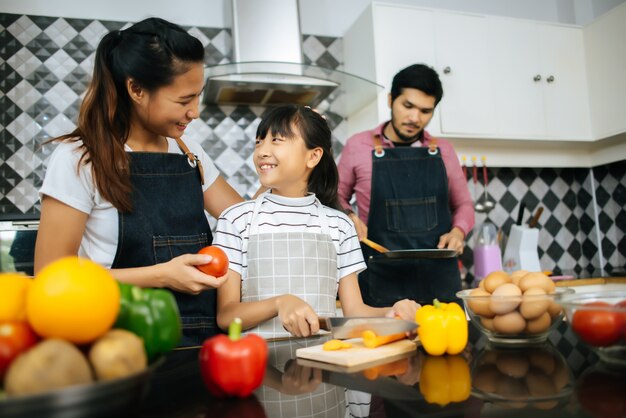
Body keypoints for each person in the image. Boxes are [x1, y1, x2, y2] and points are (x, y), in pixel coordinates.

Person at [34, 17, 243, 345]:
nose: (196, 112)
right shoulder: (79, 158)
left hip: (204, 345)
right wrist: (161, 275)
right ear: (136, 89)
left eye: (197, 97)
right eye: (184, 100)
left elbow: (245, 221)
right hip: (119, 346)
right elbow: (51, 279)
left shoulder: (190, 152)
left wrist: (290, 165)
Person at [213, 105, 419, 339]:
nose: (261, 151)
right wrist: (280, 303)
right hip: (255, 365)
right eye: (259, 141)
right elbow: (226, 316)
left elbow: (354, 312)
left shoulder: (340, 225)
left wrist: (393, 313)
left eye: (277, 140)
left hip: (324, 361)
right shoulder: (236, 220)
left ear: (313, 156)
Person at [337, 64, 474, 307]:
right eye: (407, 106)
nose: (414, 118)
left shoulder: (444, 151)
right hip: (381, 276)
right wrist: (348, 215)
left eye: (425, 111)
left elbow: (463, 204)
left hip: (438, 276)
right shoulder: (358, 146)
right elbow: (335, 195)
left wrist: (458, 231)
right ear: (391, 100)